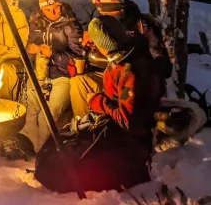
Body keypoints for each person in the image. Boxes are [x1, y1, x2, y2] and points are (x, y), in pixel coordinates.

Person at [35, 16, 164, 192]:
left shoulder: (129, 70)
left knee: (65, 170)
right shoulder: (127, 52)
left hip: (127, 141)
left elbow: (127, 120)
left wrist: (99, 102)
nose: (93, 46)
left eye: (96, 43)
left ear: (105, 44)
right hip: (115, 129)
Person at [70, 0, 172, 118]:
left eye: (109, 16)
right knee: (78, 81)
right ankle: (85, 127)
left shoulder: (142, 25)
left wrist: (132, 49)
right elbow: (106, 58)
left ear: (120, 10)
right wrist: (87, 55)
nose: (105, 20)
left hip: (138, 82)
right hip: (112, 77)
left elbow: (164, 68)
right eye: (103, 16)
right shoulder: (103, 25)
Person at [24, 0, 84, 153]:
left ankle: (44, 152)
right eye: (48, 10)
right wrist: (34, 49)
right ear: (42, 8)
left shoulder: (70, 25)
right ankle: (28, 147)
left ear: (59, 4)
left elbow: (78, 56)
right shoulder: (37, 22)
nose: (53, 12)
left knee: (48, 115)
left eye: (56, 7)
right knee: (29, 108)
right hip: (40, 73)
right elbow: (29, 44)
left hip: (63, 75)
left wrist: (53, 54)